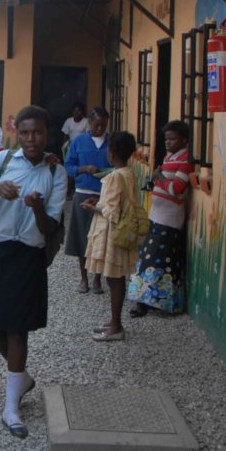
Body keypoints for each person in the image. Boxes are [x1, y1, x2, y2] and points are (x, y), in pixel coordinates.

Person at [0, 106, 67, 438]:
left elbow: (50, 226)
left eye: (38, 132)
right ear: (17, 132)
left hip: (29, 254)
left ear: (47, 134)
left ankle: (11, 407)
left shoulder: (57, 173)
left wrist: (38, 207)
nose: (31, 139)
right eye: (26, 132)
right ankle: (22, 378)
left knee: (18, 331)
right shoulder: (2, 161)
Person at [128, 121, 194, 316]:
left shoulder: (185, 160)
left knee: (157, 261)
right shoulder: (169, 156)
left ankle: (152, 302)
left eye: (172, 139)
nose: (168, 142)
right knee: (150, 260)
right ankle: (148, 301)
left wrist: (159, 176)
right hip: (157, 216)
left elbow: (176, 189)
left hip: (170, 219)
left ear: (183, 139)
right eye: (166, 139)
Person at [82, 131, 140, 342]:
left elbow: (112, 211)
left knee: (114, 279)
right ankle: (114, 321)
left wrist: (94, 208)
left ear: (112, 152)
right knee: (114, 278)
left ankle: (116, 326)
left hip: (112, 232)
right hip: (120, 230)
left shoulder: (115, 176)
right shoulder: (129, 173)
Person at [63, 107, 111, 294]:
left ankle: (97, 278)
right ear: (89, 123)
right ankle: (84, 278)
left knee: (101, 237)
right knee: (82, 236)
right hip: (83, 192)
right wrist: (83, 169)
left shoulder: (110, 142)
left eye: (103, 126)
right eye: (97, 125)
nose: (100, 129)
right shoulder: (79, 141)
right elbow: (68, 166)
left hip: (103, 194)